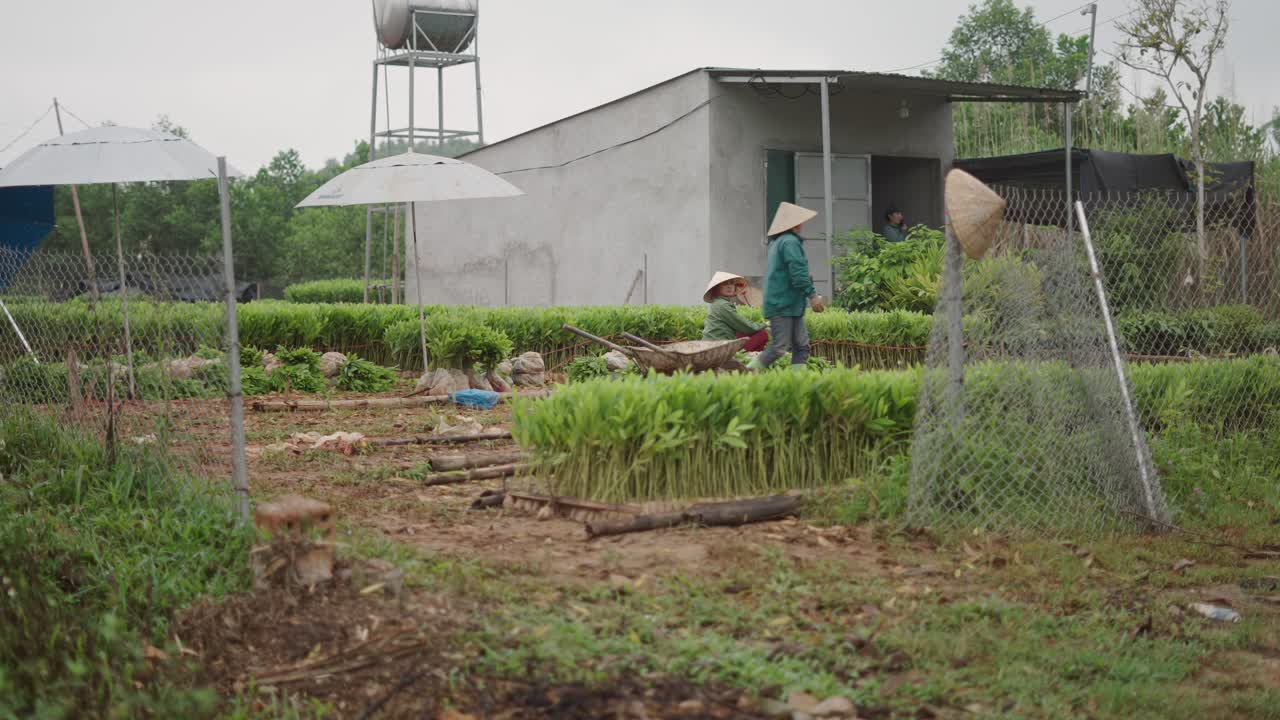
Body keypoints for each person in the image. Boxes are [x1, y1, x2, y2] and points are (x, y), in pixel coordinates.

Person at [748, 202, 827, 371]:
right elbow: (798, 274)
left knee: (801, 346)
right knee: (779, 347)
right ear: (795, 224)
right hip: (782, 304)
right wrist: (812, 296)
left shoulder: (777, 243)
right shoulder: (790, 242)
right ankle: (745, 373)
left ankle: (797, 384)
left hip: (788, 305)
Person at [701, 271, 769, 351]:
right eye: (725, 284)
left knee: (742, 333)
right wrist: (763, 325)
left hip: (716, 343)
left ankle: (750, 356)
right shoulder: (722, 305)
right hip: (717, 345)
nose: (729, 286)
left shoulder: (720, 303)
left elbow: (739, 324)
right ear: (717, 288)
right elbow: (741, 324)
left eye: (732, 283)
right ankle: (744, 356)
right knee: (761, 334)